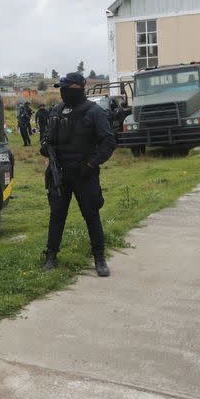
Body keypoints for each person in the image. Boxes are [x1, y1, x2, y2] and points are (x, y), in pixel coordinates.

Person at [40, 72, 117, 277]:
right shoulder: (56, 111)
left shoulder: (94, 112)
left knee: (91, 215)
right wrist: (45, 147)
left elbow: (108, 142)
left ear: (76, 89)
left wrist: (92, 164)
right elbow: (47, 137)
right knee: (57, 215)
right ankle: (51, 256)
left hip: (85, 173)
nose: (62, 92)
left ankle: (99, 258)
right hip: (60, 174)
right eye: (61, 89)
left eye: (65, 88)